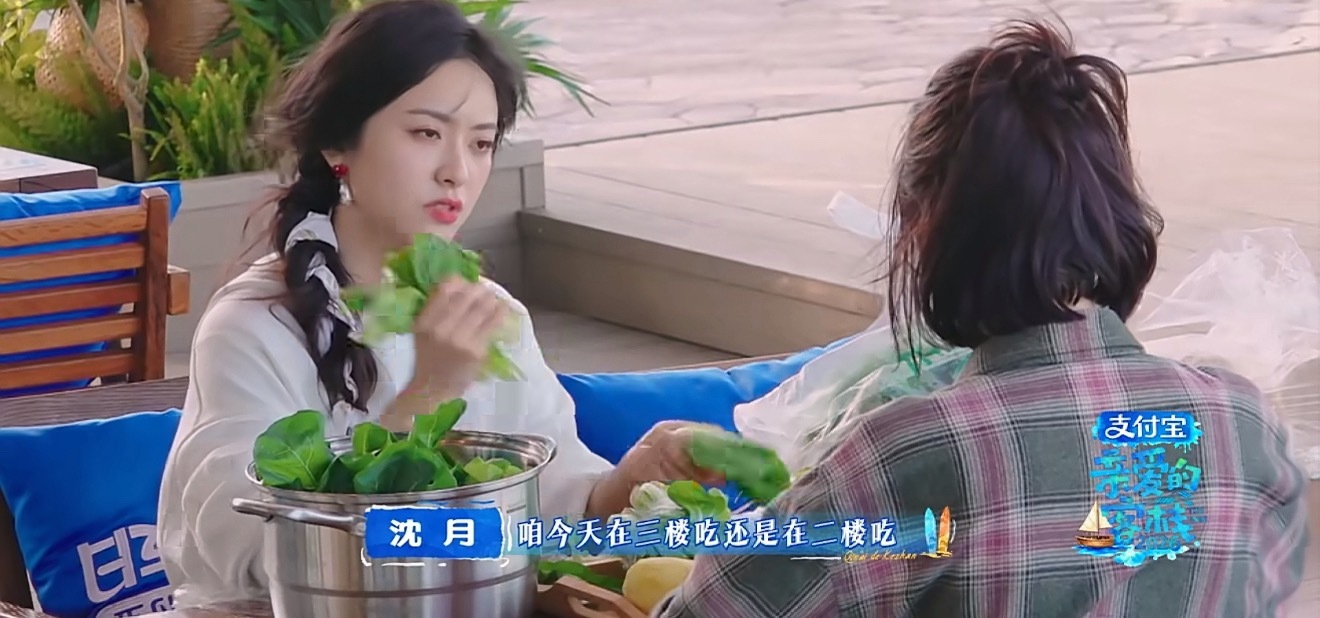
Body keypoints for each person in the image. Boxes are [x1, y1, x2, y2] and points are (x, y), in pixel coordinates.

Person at [653, 18, 1310, 618]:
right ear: (1115, 214)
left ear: (922, 229)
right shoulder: (1241, 424)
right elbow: (1168, 564)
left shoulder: (907, 450)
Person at [156, 0, 719, 606]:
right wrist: (430, 392)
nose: (457, 171)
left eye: (481, 143)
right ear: (339, 144)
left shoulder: (491, 313)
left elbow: (545, 510)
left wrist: (627, 481)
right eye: (426, 133)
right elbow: (255, 552)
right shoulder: (253, 327)